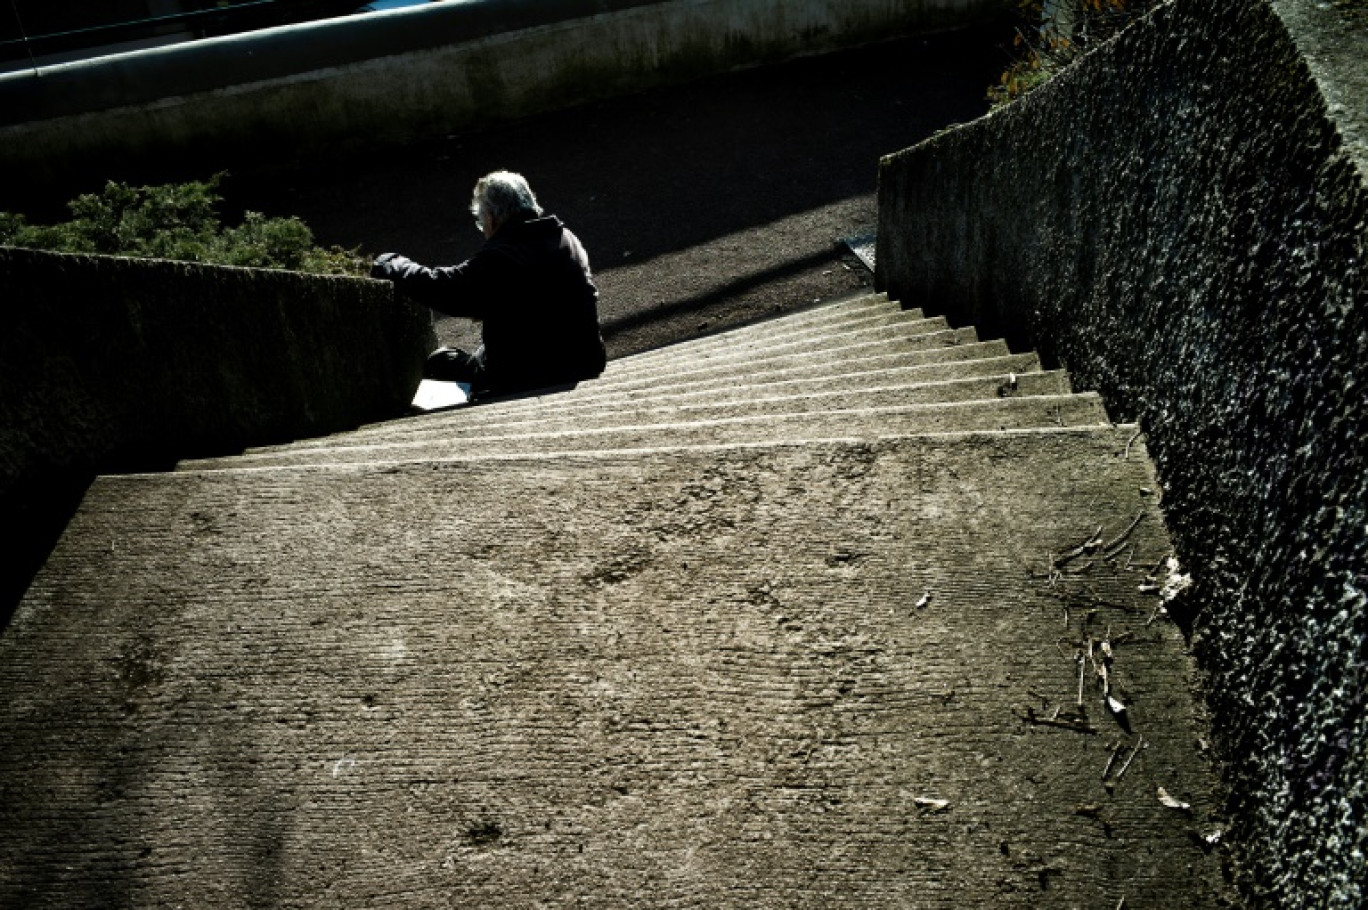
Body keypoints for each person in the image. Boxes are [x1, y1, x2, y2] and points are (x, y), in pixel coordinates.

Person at [370, 171, 606, 400]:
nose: (483, 229)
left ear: (492, 218)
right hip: (585, 361)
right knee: (488, 345)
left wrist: (391, 263)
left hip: (528, 375)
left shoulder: (502, 254)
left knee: (442, 361)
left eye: (481, 221)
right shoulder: (566, 239)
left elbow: (443, 288)